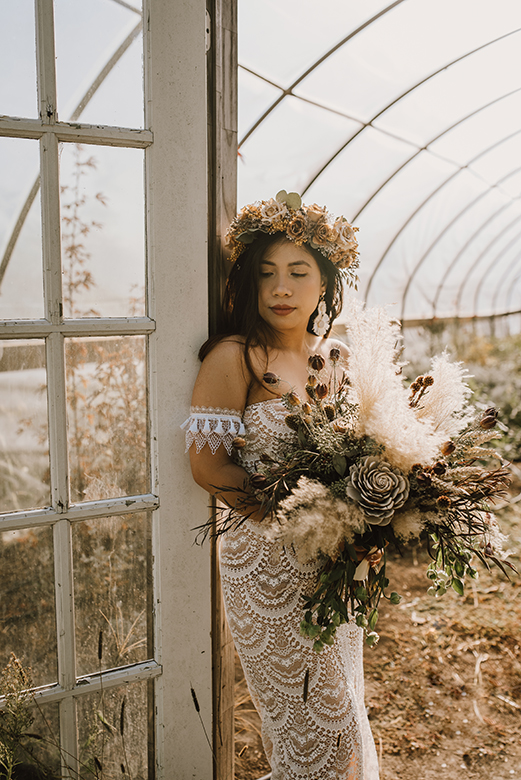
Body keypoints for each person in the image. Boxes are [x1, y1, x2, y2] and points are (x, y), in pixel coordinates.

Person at [184, 192, 380, 780]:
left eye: (299, 273)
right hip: (265, 567)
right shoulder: (234, 358)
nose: (281, 289)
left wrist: (364, 522)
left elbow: (361, 459)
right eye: (266, 274)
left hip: (333, 567)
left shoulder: (337, 359)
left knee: (345, 718)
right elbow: (208, 468)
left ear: (325, 284)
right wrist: (296, 521)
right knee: (305, 727)